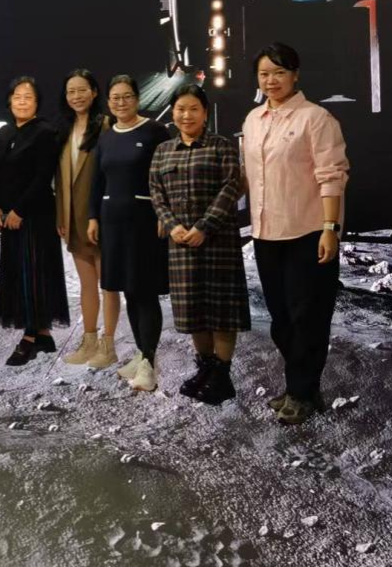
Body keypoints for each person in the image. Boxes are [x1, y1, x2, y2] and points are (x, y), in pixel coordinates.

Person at [243, 42, 350, 425]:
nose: (271, 80)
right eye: (264, 74)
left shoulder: (316, 118)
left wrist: (330, 228)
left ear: (295, 75)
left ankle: (301, 393)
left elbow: (332, 176)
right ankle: (303, 385)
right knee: (281, 320)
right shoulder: (253, 120)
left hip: (307, 232)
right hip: (266, 233)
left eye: (279, 72)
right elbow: (250, 175)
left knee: (308, 317)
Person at [149, 83, 248, 405]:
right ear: (173, 113)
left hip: (218, 240)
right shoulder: (163, 151)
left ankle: (222, 375)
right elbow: (156, 193)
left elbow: (231, 187)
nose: (186, 115)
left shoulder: (221, 146)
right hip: (181, 243)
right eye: (180, 109)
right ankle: (205, 369)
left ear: (205, 113)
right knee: (193, 309)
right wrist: (172, 225)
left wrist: (204, 226)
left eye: (193, 109)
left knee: (221, 310)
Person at [87, 75, 171, 390]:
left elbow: (167, 175)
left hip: (144, 221)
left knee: (144, 290)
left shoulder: (155, 132)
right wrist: (93, 217)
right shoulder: (107, 137)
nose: (121, 102)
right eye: (115, 98)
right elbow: (97, 181)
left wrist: (165, 212)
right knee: (128, 291)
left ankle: (149, 363)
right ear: (109, 102)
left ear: (137, 98)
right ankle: (141, 353)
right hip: (112, 222)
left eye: (127, 96)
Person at [0, 76, 69, 366]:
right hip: (7, 217)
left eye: (28, 97)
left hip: (35, 215)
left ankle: (30, 338)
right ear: (9, 100)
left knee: (34, 274)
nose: (22, 102)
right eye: (17, 96)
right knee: (18, 274)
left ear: (37, 103)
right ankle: (43, 334)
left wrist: (19, 210)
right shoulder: (4, 132)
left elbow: (42, 176)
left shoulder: (45, 131)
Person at [55, 69, 110, 367]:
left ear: (94, 92)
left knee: (108, 286)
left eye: (81, 90)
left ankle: (107, 346)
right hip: (73, 218)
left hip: (99, 218)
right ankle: (89, 343)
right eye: (71, 91)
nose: (76, 96)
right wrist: (61, 216)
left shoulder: (106, 125)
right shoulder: (64, 129)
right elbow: (61, 178)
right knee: (87, 285)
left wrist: (99, 216)